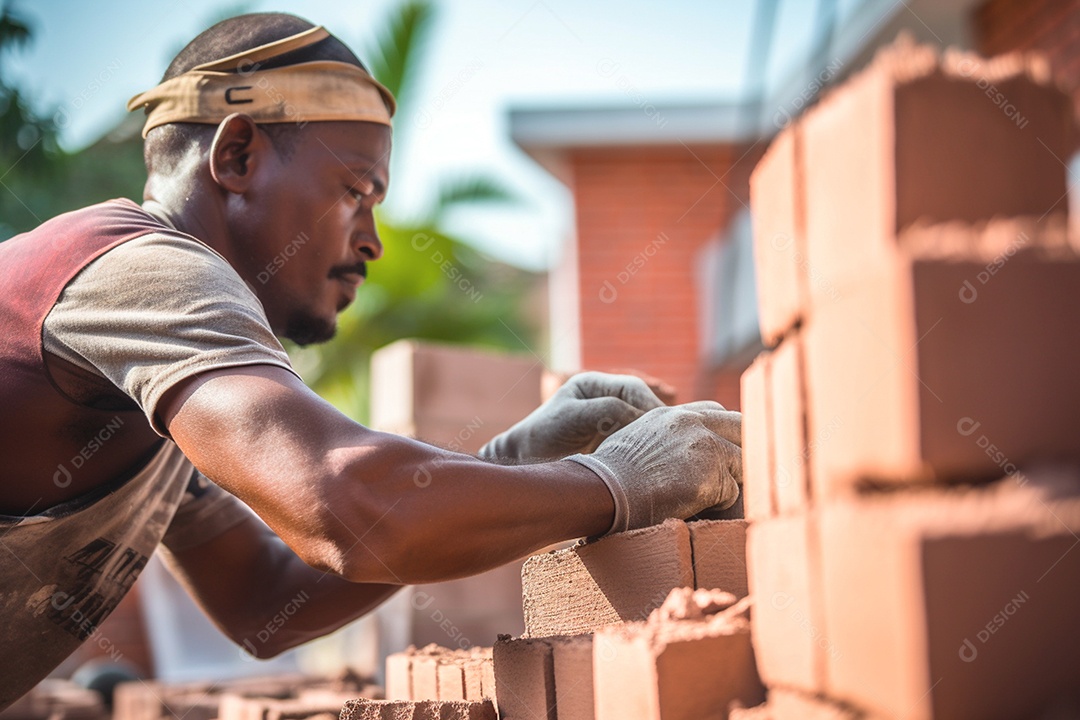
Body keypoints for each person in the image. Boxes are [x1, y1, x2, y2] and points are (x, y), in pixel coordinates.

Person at [0, 13, 742, 705]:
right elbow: (337, 500)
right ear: (236, 155)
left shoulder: (160, 377)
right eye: (356, 190)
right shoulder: (141, 268)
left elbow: (264, 601)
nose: (373, 241)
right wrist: (618, 481)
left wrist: (509, 460)